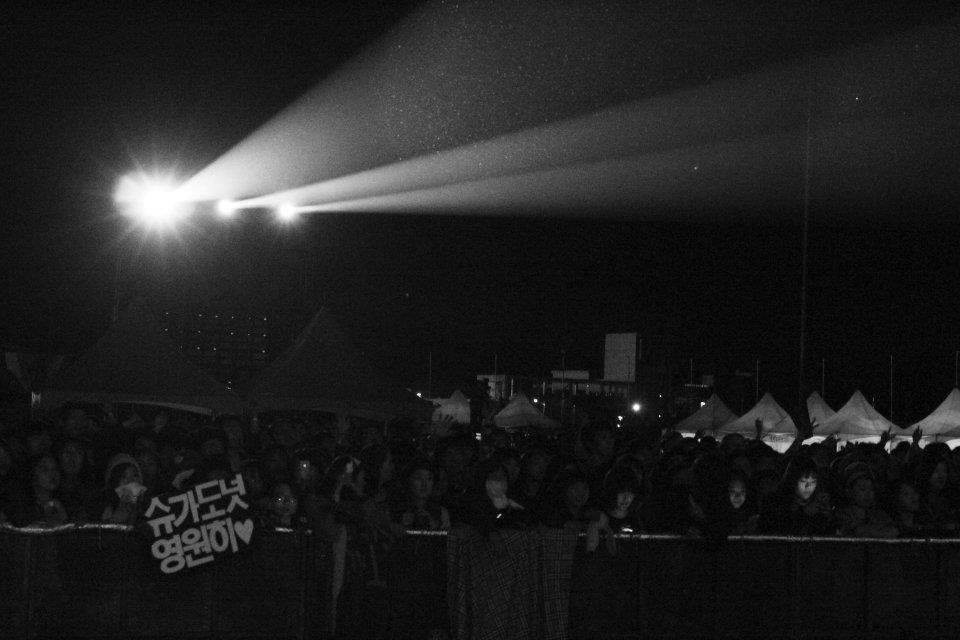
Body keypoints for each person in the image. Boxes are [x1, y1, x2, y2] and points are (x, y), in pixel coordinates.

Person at [758, 455, 833, 536]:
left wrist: (828, 517)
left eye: (813, 482)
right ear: (792, 480)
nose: (808, 486)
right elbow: (774, 532)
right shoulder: (773, 502)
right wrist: (804, 513)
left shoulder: (817, 503)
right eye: (803, 481)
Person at [835, 463, 898, 538]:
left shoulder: (879, 515)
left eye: (871, 489)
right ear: (849, 491)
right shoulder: (843, 515)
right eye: (863, 489)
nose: (868, 494)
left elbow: (893, 531)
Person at [392, 458, 450, 531]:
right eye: (418, 478)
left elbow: (446, 536)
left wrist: (435, 528)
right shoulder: (394, 509)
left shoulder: (441, 513)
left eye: (429, 478)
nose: (424, 484)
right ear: (408, 481)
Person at [101, 453, 147, 525]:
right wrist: (117, 519)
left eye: (135, 475)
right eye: (124, 476)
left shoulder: (149, 510)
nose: (131, 481)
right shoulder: (102, 512)